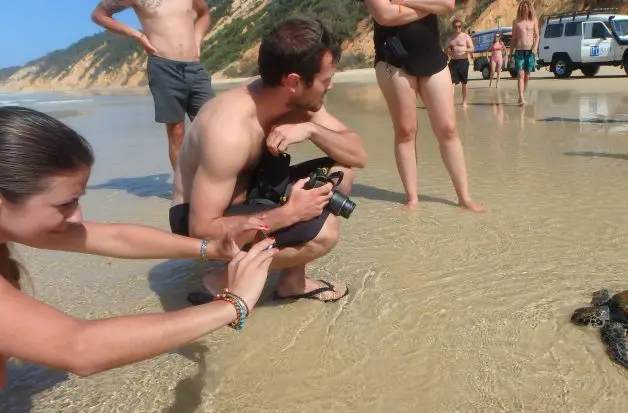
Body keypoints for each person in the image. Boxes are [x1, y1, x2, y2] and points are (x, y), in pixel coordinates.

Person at [0, 106, 279, 388]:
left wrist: (212, 248)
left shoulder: (15, 222)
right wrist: (233, 305)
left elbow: (115, 238)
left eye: (77, 199)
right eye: (64, 203)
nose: (77, 216)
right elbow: (79, 348)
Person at [170, 17, 366, 303]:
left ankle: (292, 282)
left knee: (341, 172)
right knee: (324, 232)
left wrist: (311, 129)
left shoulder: (293, 99)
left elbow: (357, 154)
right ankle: (222, 279)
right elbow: (200, 230)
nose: (331, 86)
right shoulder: (229, 132)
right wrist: (289, 214)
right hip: (198, 216)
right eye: (326, 79)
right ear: (295, 82)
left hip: (251, 192)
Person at [364, 0, 484, 212]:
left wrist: (401, 2)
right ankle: (412, 199)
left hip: (431, 55)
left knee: (448, 129)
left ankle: (464, 197)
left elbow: (447, 5)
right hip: (393, 58)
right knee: (406, 131)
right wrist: (428, 6)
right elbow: (384, 15)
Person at [91, 0, 215, 172]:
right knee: (176, 133)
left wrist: (197, 38)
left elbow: (204, 14)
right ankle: (183, 188)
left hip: (194, 67)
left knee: (211, 125)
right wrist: (137, 35)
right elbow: (99, 15)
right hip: (164, 67)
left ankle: (211, 178)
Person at [510, 0, 539, 106]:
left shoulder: (534, 20)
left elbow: (537, 36)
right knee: (521, 74)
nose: (525, 8)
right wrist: (510, 53)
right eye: (523, 6)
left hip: (530, 52)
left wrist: (535, 46)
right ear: (520, 8)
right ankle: (521, 98)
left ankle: (521, 95)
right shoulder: (516, 22)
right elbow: (513, 39)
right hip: (519, 51)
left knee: (527, 75)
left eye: (527, 6)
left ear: (530, 8)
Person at [446, 18, 474, 105]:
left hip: (463, 61)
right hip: (453, 61)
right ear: (453, 27)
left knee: (464, 83)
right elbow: (445, 49)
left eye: (459, 26)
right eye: (455, 27)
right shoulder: (450, 39)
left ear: (461, 27)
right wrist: (448, 51)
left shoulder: (466, 37)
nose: (457, 28)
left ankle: (464, 101)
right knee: (451, 83)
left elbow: (472, 49)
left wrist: (466, 49)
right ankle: (450, 102)